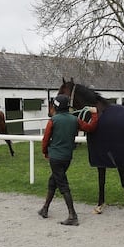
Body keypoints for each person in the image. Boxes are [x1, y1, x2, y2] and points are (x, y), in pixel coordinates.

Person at [38, 94, 99, 226]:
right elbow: (90, 128)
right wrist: (94, 115)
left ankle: (72, 215)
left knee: (62, 184)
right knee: (53, 180)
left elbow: (45, 140)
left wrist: (45, 152)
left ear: (55, 107)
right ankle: (45, 208)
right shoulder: (75, 120)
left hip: (55, 157)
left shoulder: (53, 121)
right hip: (67, 157)